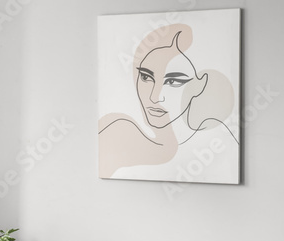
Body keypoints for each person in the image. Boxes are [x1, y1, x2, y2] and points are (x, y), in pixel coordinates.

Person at [99, 24, 238, 182]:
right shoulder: (115, 131)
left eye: (172, 81)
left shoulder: (218, 146)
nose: (154, 96)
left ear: (200, 85)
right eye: (146, 77)